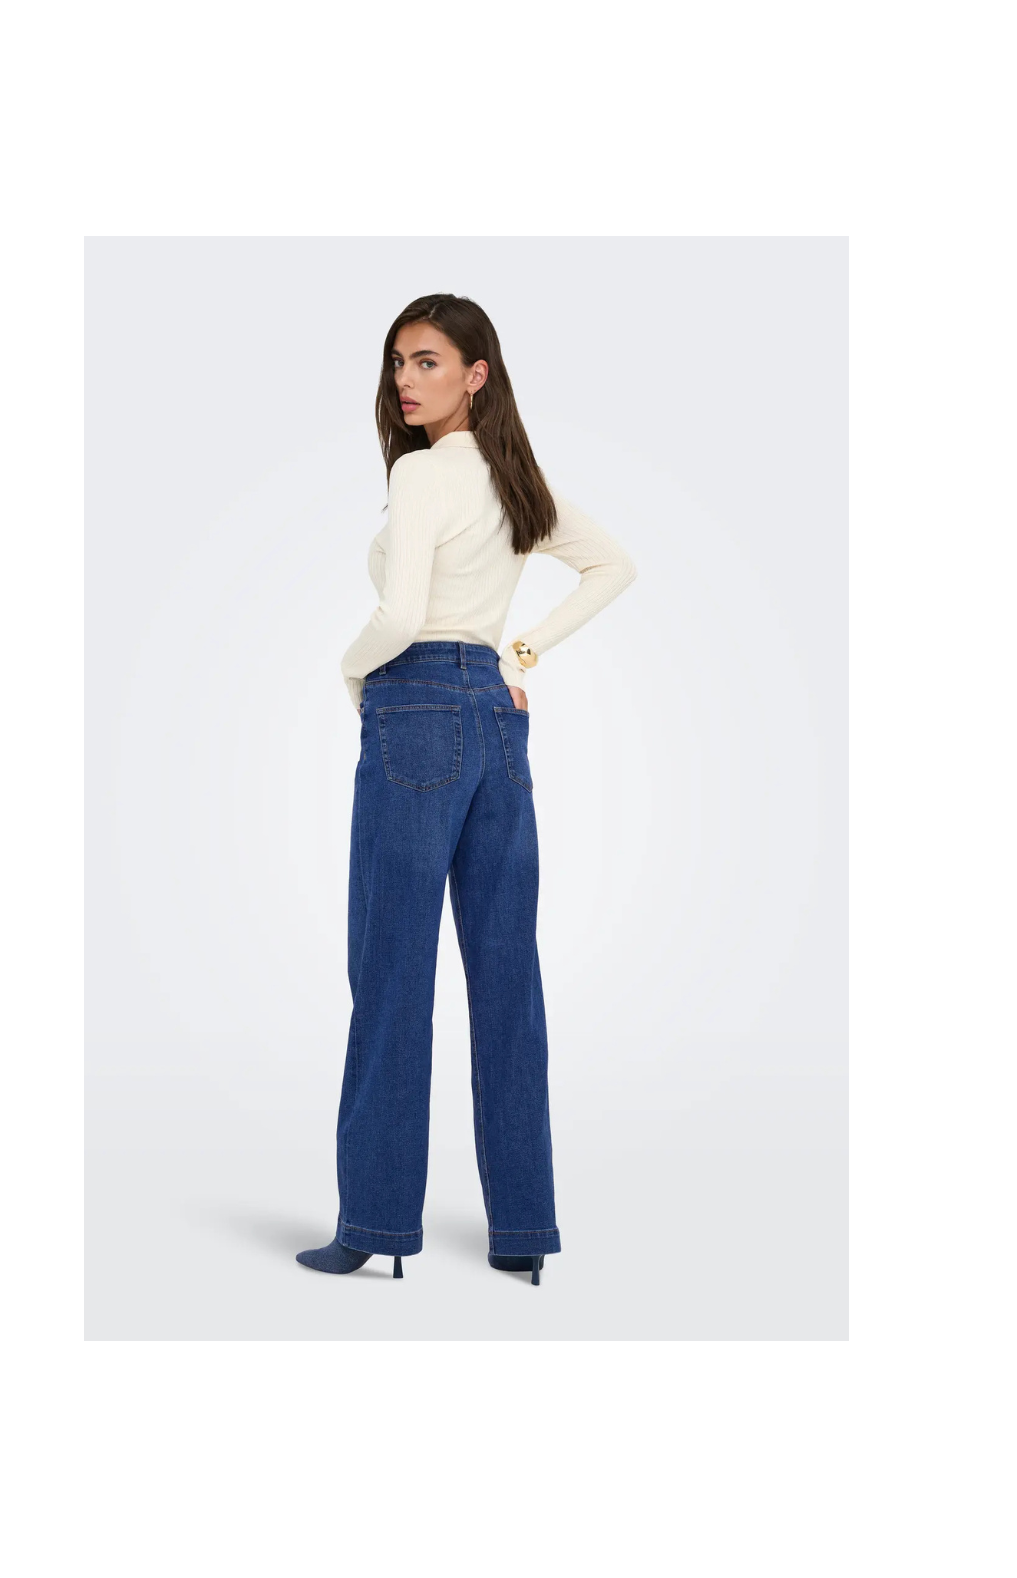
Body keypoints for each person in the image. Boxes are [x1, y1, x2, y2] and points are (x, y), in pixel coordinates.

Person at [297, 294, 636, 1286]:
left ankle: (373, 1225)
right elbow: (612, 567)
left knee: (392, 974)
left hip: (412, 711)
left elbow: (401, 615)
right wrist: (514, 655)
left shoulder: (420, 474)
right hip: (494, 716)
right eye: (398, 361)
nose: (406, 380)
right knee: (506, 977)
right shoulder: (513, 478)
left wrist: (354, 673)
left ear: (475, 374)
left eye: (429, 361)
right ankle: (523, 1232)